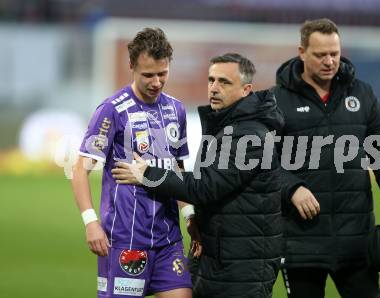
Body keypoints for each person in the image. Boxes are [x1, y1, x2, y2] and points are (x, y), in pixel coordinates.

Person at [112, 53, 284, 298]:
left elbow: (205, 187)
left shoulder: (251, 137)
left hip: (243, 264)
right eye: (211, 80)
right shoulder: (226, 127)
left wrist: (148, 173)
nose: (214, 88)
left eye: (224, 82)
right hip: (219, 255)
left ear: (246, 89)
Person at [272, 18, 380, 298]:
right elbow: (262, 161)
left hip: (356, 242)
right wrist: (292, 188)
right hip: (301, 242)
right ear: (301, 53)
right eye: (320, 54)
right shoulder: (275, 101)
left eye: (334, 53)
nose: (329, 61)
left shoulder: (362, 93)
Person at [71, 27, 193, 298]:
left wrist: (190, 215)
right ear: (131, 66)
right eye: (148, 75)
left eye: (162, 74)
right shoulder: (111, 110)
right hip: (124, 239)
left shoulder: (176, 110)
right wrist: (90, 222)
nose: (157, 82)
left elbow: (178, 168)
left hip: (168, 239)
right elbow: (80, 169)